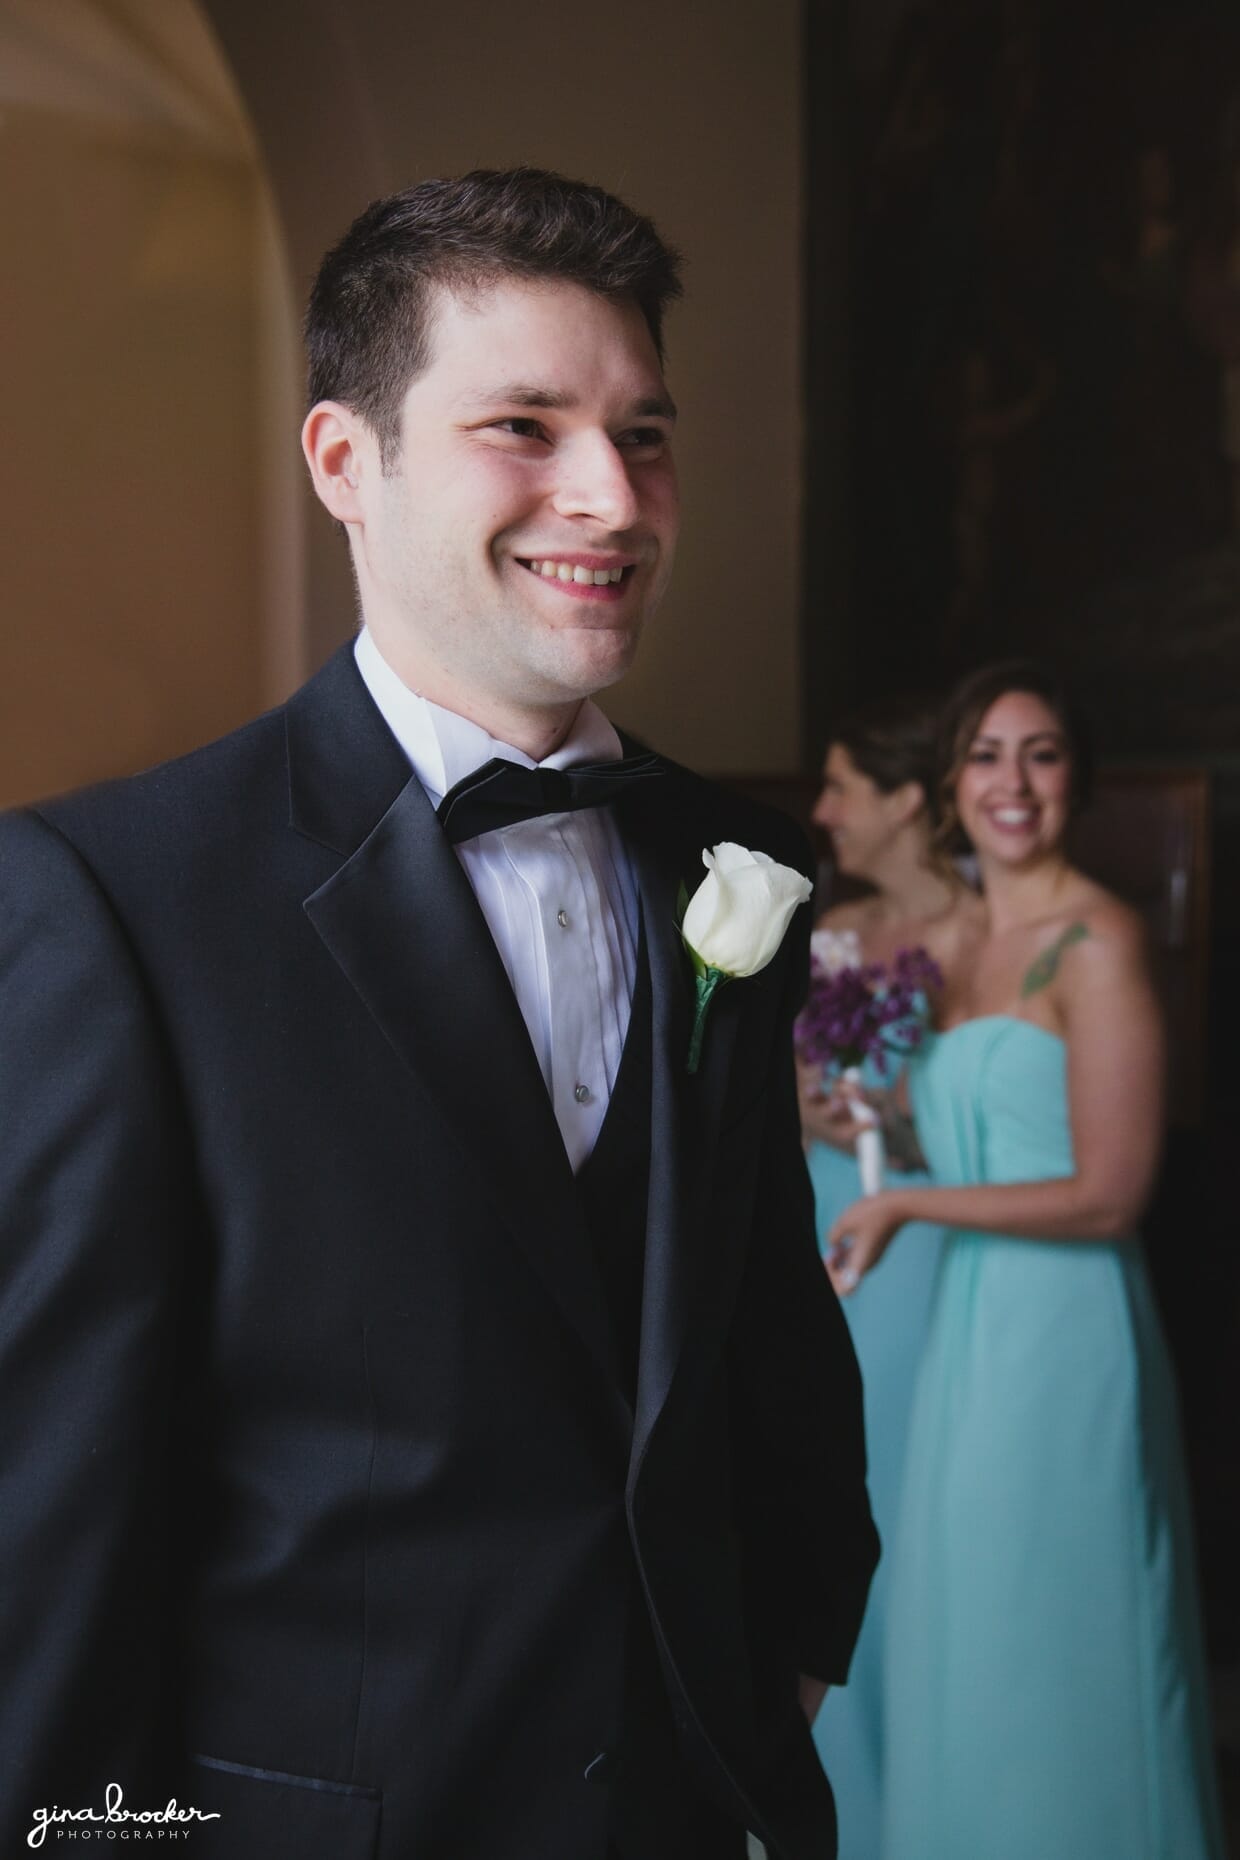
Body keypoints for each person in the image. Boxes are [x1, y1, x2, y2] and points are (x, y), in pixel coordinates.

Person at [0, 169, 878, 1860]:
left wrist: (798, 1642)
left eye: (646, 433)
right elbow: (51, 1533)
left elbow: (758, 1311)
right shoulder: (111, 903)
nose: (610, 497)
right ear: (345, 461)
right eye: (526, 427)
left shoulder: (742, 864)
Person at [826, 661, 1226, 1860]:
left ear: (1074, 782)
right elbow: (928, 1123)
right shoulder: (956, 945)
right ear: (950, 786)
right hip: (967, 1314)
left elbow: (1109, 1193)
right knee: (974, 1624)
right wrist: (850, 1116)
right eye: (987, 756)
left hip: (1062, 1321)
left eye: (1042, 754)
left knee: (1057, 1614)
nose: (1014, 781)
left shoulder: (1093, 940)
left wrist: (910, 1211)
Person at [796, 697, 983, 1859]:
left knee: (919, 1513)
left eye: (841, 788)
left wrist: (900, 1124)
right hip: (821, 1236)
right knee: (825, 1496)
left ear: (908, 800)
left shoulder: (984, 931)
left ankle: (930, 1802)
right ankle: (836, 1805)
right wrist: (809, 1106)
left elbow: (1005, 1120)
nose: (819, 813)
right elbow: (782, 1097)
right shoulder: (833, 929)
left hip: (928, 1252)